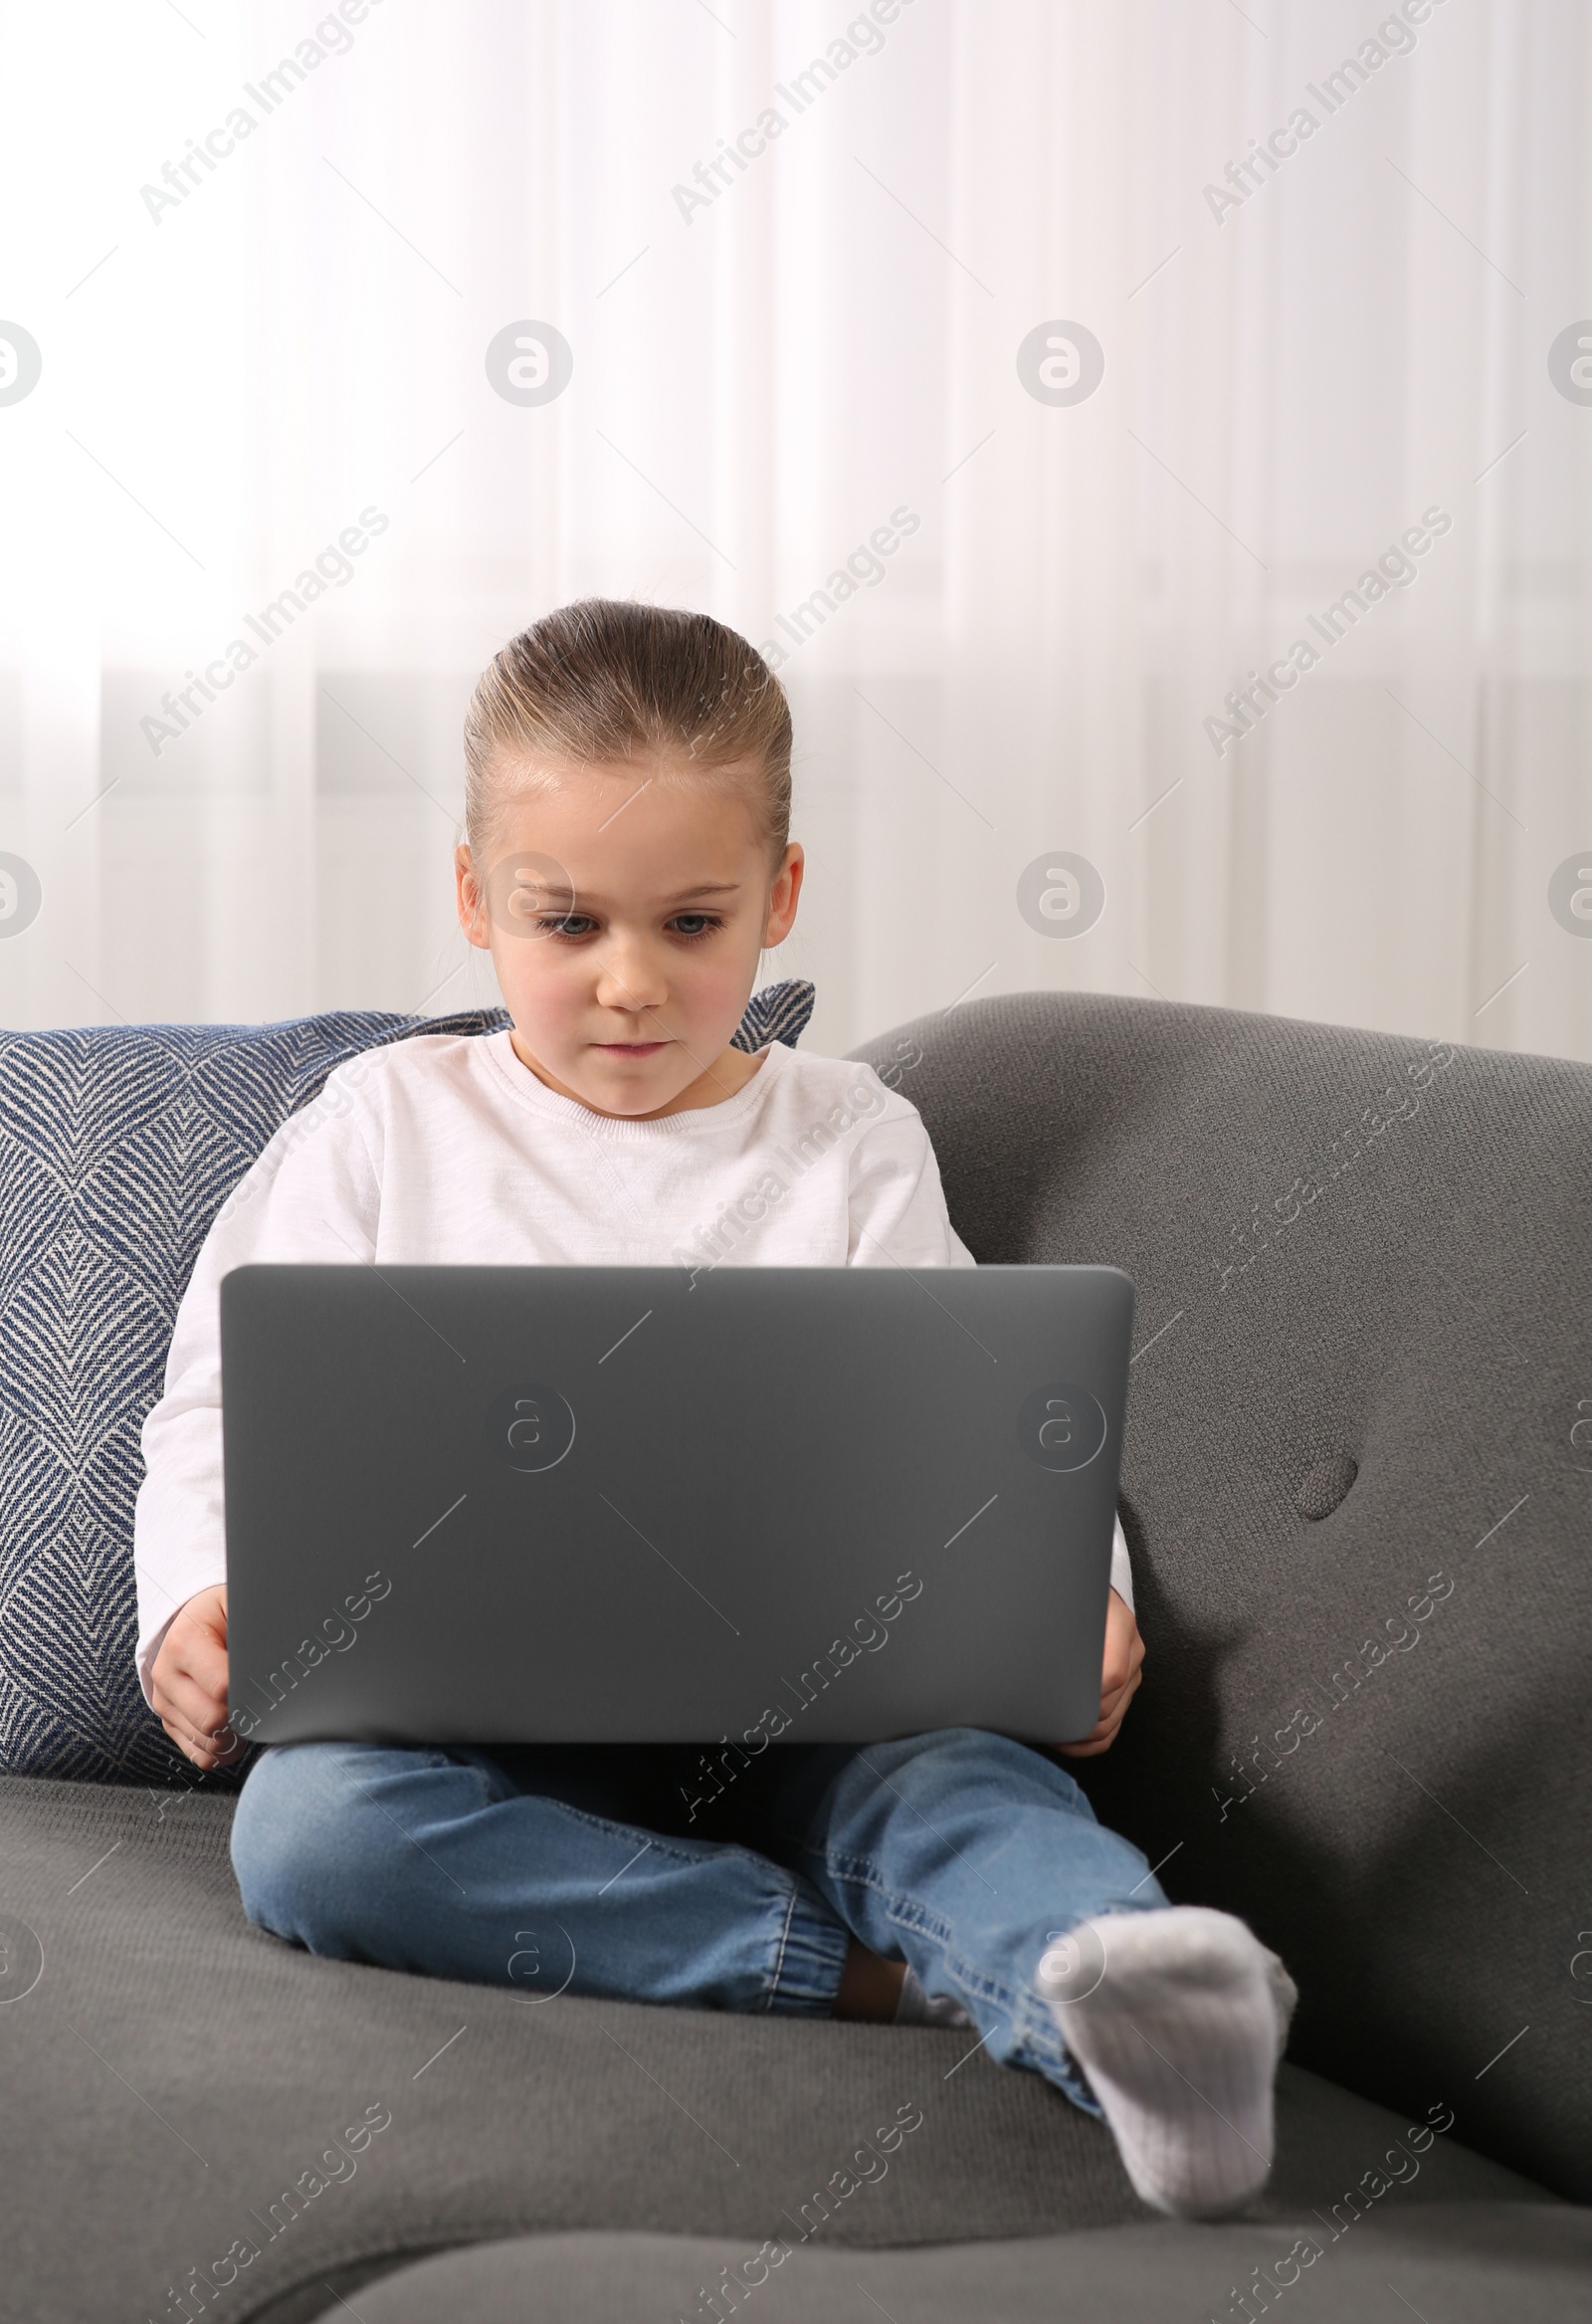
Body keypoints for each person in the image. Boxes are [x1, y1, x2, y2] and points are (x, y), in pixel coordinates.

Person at [134, 597, 1296, 2220]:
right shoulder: (381, 1123)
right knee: (315, 1836)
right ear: (475, 901)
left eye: (691, 924)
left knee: (965, 1792)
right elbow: (218, 1401)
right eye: (567, 925)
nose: (629, 985)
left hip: (819, 1706)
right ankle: (845, 1974)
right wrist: (195, 1597)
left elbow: (988, 1416)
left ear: (780, 902)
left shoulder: (848, 1134)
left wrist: (1072, 1600)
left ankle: (1139, 2002)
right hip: (476, 1736)